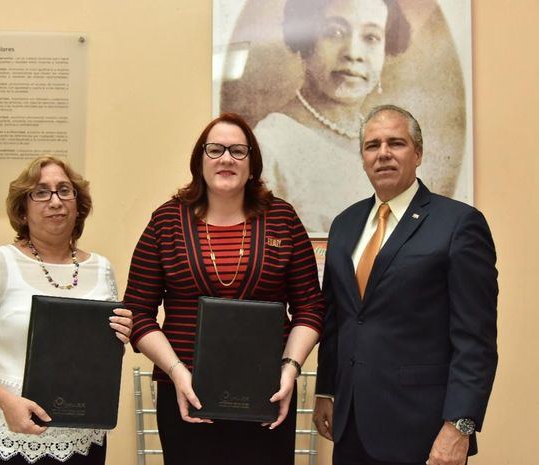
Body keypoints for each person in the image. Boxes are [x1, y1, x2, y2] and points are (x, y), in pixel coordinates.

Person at [124, 112, 325, 465]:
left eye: (238, 151)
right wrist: (176, 371)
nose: (227, 158)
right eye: (215, 150)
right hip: (186, 395)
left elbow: (310, 307)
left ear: (253, 165)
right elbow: (137, 314)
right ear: (199, 161)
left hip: (267, 397)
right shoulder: (167, 221)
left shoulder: (282, 218)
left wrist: (290, 368)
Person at [312, 105, 498, 465]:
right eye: (372, 145)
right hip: (350, 426)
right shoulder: (345, 224)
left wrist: (460, 426)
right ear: (363, 158)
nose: (383, 153)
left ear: (418, 153)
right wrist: (326, 391)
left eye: (395, 143)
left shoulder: (459, 224)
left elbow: (475, 340)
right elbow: (336, 320)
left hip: (422, 430)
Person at [0, 156, 133, 464]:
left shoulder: (102, 268)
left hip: (84, 438)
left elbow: (97, 357)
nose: (55, 201)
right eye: (41, 192)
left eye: (64, 191)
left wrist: (119, 338)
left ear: (78, 205)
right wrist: (6, 402)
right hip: (13, 438)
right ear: (22, 209)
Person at [253, 0, 413, 234]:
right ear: (306, 44)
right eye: (335, 32)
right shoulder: (270, 146)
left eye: (371, 38)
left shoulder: (384, 141)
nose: (353, 53)